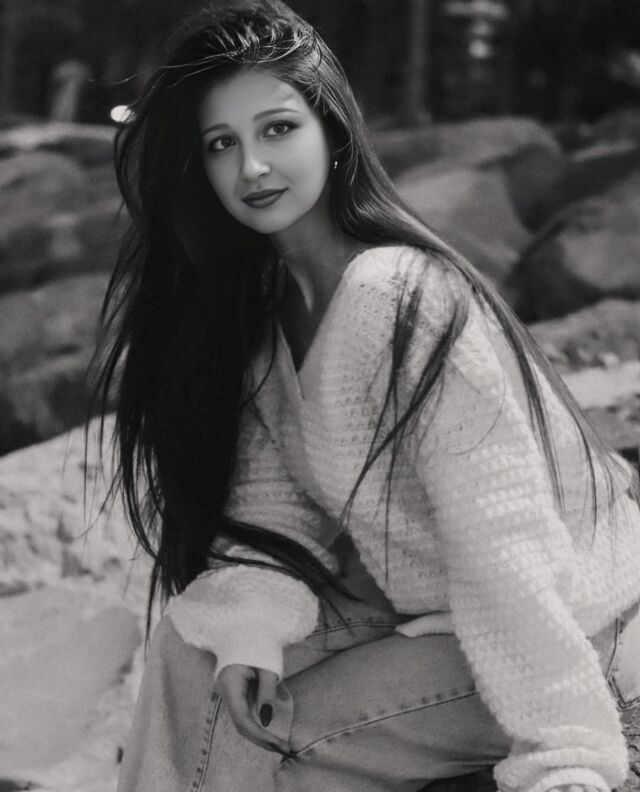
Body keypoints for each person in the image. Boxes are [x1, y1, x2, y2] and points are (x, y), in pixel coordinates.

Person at [91, 2, 640, 791]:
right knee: (192, 647)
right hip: (430, 615)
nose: (253, 167)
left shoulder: (396, 296)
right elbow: (274, 509)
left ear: (332, 130)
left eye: (278, 129)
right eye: (222, 144)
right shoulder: (264, 306)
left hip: (568, 632)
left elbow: (505, 542)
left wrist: (568, 754)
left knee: (268, 746)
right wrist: (250, 635)